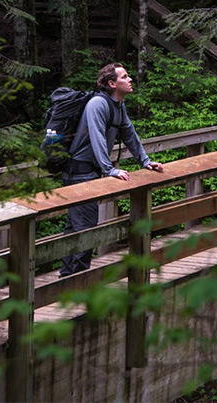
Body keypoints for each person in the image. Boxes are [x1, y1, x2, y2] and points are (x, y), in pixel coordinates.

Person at [60, 63, 164, 276]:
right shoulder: (98, 104)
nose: (130, 79)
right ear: (112, 83)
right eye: (125, 77)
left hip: (89, 172)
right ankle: (75, 282)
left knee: (76, 227)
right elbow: (97, 137)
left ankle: (67, 278)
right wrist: (109, 170)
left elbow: (129, 134)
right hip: (79, 173)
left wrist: (145, 161)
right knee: (85, 229)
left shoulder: (118, 105)